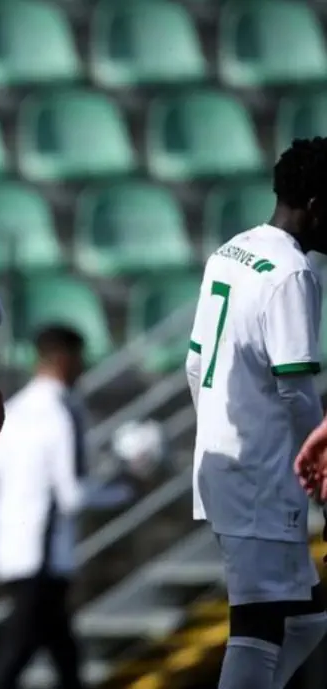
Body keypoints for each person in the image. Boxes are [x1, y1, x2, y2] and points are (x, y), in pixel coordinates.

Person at [187, 137, 327, 689]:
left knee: (307, 617)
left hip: (226, 463)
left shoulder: (231, 251)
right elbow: (295, 390)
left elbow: (195, 367)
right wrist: (318, 469)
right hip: (263, 473)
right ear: (316, 206)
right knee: (259, 620)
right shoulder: (292, 273)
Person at [0, 325, 91, 689]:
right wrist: (125, 487)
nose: (83, 370)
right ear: (64, 360)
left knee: (64, 654)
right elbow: (72, 495)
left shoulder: (9, 411)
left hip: (8, 553)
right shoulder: (62, 413)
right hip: (44, 558)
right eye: (79, 361)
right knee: (16, 655)